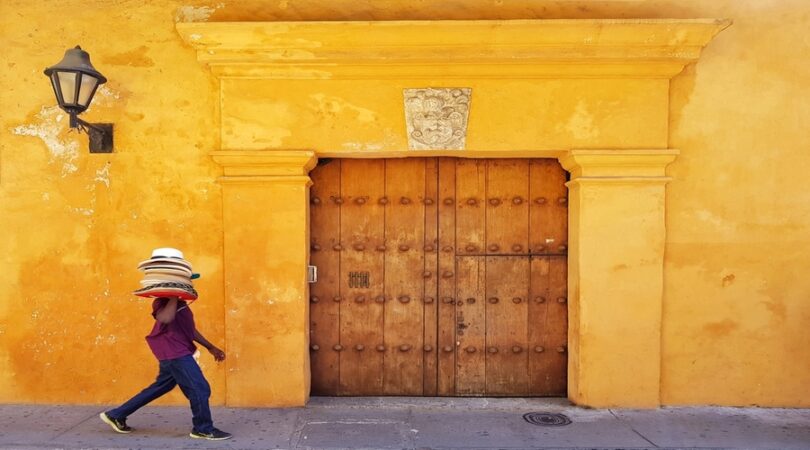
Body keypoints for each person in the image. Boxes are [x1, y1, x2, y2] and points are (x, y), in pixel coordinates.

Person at [99, 296, 232, 440]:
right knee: (199, 388)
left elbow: (189, 330)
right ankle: (203, 428)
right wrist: (174, 296)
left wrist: (210, 347)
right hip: (175, 353)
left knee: (160, 387)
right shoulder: (162, 302)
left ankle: (116, 415)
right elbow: (165, 318)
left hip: (174, 352)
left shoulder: (181, 303)